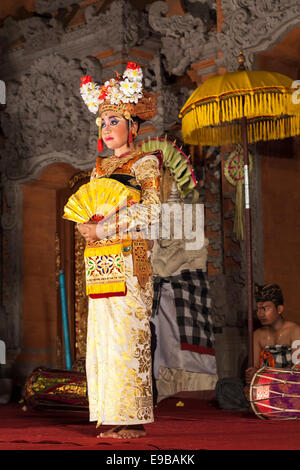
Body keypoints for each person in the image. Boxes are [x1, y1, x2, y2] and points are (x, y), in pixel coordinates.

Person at [76, 62, 161, 438]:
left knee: (128, 333)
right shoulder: (98, 170)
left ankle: (134, 419)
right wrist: (86, 228)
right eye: (103, 122)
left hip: (130, 256)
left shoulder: (144, 162)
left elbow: (152, 208)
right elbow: (90, 207)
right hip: (101, 257)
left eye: (114, 121)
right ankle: (109, 411)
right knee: (102, 335)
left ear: (133, 126)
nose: (107, 128)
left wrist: (104, 225)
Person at [245, 283, 300, 388]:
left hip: (289, 387)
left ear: (279, 309)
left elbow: (298, 371)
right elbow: (253, 370)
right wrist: (251, 375)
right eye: (258, 309)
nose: (260, 314)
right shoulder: (257, 335)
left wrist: (268, 376)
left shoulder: (295, 331)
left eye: (265, 309)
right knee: (226, 387)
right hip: (264, 387)